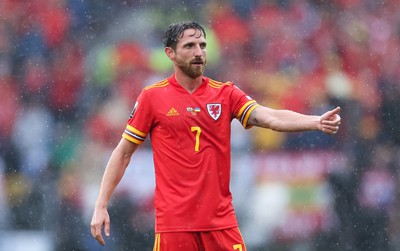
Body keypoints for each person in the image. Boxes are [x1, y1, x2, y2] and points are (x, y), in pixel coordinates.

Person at [90, 20, 341, 251]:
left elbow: (269, 117)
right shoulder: (152, 97)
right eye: (189, 46)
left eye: (202, 45)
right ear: (171, 54)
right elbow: (122, 153)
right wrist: (101, 204)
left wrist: (315, 121)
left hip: (221, 224)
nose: (199, 52)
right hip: (175, 227)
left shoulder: (226, 94)